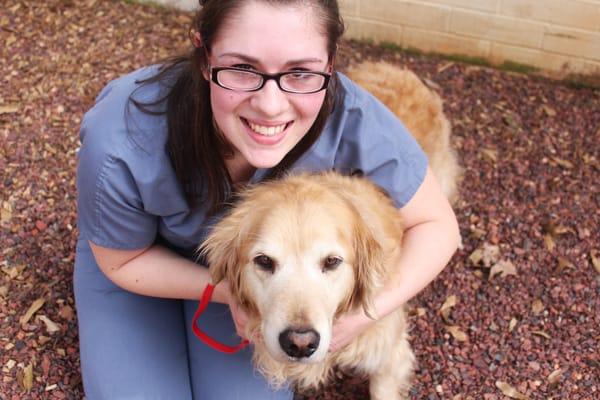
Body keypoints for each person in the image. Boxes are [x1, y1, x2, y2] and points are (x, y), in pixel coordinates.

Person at [74, 0, 461, 398]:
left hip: (256, 280)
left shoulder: (355, 119)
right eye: (242, 69)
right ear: (205, 58)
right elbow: (121, 261)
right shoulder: (120, 137)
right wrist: (231, 289)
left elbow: (437, 225)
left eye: (300, 72)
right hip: (140, 262)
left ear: (330, 66)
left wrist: (365, 313)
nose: (270, 106)